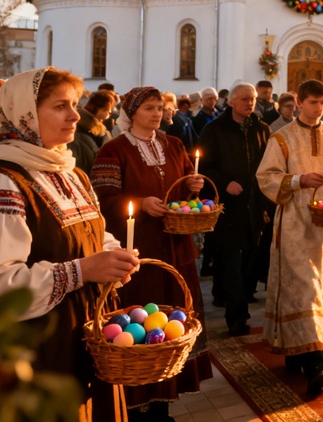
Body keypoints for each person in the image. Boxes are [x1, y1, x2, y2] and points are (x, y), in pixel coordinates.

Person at [0, 68, 139, 421]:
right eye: (60, 106)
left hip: (91, 338)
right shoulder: (3, 181)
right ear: (24, 115)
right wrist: (82, 271)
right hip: (41, 354)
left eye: (74, 104)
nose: (75, 115)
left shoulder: (72, 172)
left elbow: (95, 234)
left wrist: (114, 258)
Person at [92, 87, 212, 421]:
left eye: (160, 107)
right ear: (131, 113)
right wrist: (140, 203)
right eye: (148, 108)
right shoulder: (113, 149)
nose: (157, 113)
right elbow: (102, 200)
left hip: (175, 250)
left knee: (173, 325)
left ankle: (163, 402)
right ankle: (138, 404)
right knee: (141, 324)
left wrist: (192, 187)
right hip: (138, 253)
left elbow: (184, 187)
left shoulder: (173, 144)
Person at [256, 79, 323, 398]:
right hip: (296, 224)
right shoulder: (282, 137)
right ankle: (315, 366)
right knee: (304, 289)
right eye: (313, 102)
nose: (318, 108)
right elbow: (266, 177)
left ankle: (302, 353)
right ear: (299, 102)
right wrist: (299, 180)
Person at [197, 82, 270, 336]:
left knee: (249, 259)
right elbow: (204, 166)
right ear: (230, 101)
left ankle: (234, 300)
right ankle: (237, 317)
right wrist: (225, 182)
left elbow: (268, 166)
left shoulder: (262, 129)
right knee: (230, 260)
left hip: (254, 204)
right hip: (227, 206)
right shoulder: (214, 129)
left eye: (252, 99)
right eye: (244, 99)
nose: (250, 103)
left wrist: (265, 203)